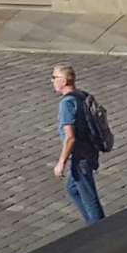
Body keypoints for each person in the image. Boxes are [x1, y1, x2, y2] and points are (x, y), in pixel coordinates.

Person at [52, 63, 104, 226]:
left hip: (80, 157)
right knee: (72, 188)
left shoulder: (66, 103)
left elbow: (70, 138)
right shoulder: (82, 95)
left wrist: (61, 163)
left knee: (89, 197)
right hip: (90, 150)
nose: (52, 81)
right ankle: (91, 223)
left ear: (63, 81)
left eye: (54, 77)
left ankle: (100, 229)